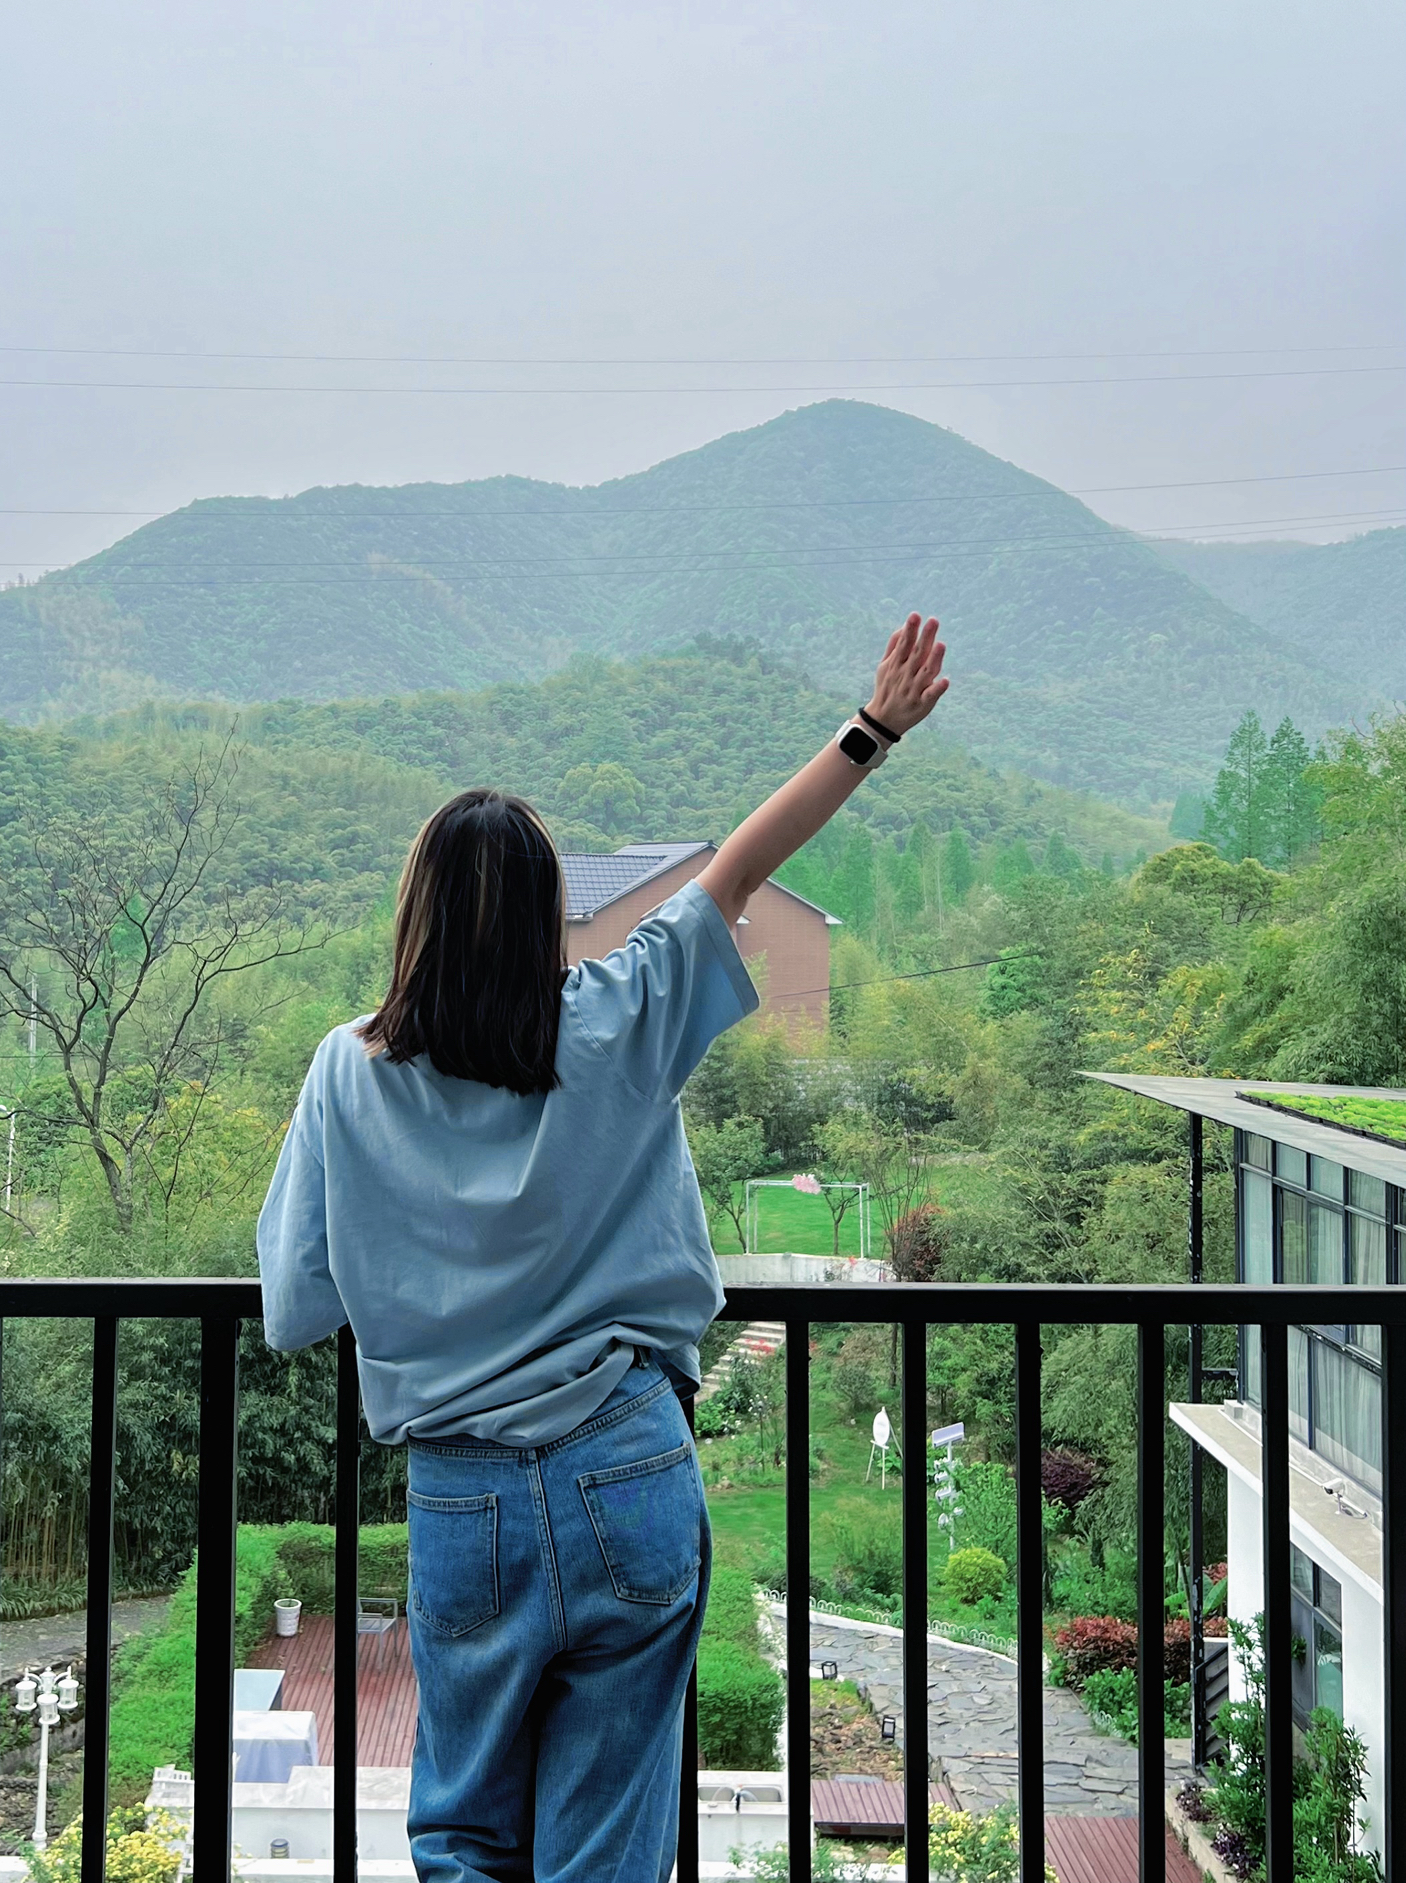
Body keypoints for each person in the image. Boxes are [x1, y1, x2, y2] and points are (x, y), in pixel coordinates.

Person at [257, 614, 950, 1883]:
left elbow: (297, 1302)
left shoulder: (344, 1072)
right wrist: (873, 729)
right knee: (607, 1843)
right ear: (544, 914)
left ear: (414, 914)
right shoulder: (617, 1018)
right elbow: (734, 873)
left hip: (459, 1490)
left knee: (462, 1832)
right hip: (627, 1463)